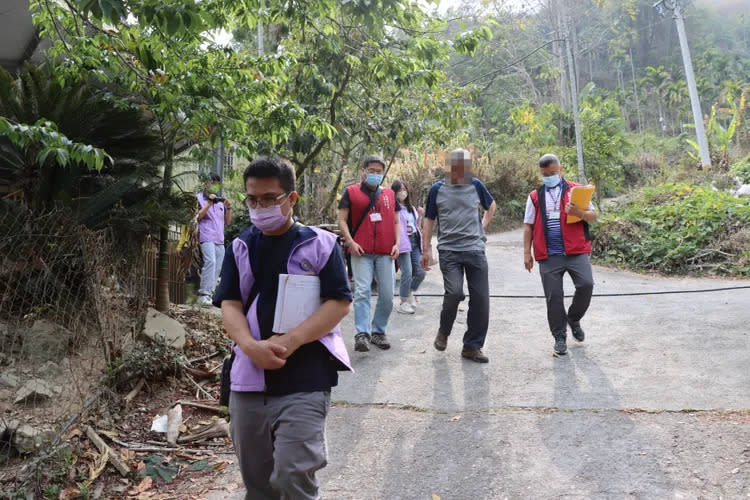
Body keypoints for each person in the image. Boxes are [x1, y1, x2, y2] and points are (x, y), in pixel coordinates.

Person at [214, 156, 352, 500]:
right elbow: (229, 303)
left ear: (291, 199)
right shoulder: (240, 246)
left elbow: (339, 302)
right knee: (258, 486)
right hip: (248, 379)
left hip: (306, 377)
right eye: (252, 199)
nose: (259, 207)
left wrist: (291, 341)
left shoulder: (321, 244)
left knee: (293, 474)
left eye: (269, 198)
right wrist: (249, 345)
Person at [421, 149, 497, 363]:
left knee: (481, 299)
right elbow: (429, 219)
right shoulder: (437, 189)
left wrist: (482, 226)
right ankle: (444, 331)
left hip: (474, 249)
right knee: (454, 292)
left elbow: (491, 205)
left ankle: (472, 347)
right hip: (449, 250)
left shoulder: (476, 185)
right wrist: (426, 248)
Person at [523, 153, 597, 356]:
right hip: (548, 255)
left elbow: (594, 216)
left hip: (575, 251)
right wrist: (526, 254)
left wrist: (579, 213)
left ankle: (573, 318)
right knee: (553, 297)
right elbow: (528, 226)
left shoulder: (576, 190)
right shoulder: (535, 196)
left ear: (560, 169)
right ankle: (559, 338)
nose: (549, 177)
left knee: (586, 285)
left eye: (553, 173)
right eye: (545, 174)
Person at [337, 154, 400, 353]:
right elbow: (341, 220)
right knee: (362, 292)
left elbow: (397, 221)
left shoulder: (389, 194)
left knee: (388, 295)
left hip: (385, 252)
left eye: (378, 172)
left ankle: (379, 331)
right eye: (371, 171)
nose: (375, 174)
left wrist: (398, 243)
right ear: (363, 171)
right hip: (360, 252)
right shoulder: (351, 192)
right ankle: (362, 334)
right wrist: (350, 242)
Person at [391, 179, 426, 314]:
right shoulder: (393, 209)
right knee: (407, 272)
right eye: (399, 190)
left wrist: (419, 216)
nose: (402, 192)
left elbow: (415, 225)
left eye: (404, 189)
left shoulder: (411, 208)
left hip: (414, 242)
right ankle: (403, 302)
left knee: (420, 272)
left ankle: (410, 292)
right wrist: (396, 243)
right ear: (394, 192)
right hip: (402, 243)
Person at [196, 173, 231, 306]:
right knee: (210, 261)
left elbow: (228, 222)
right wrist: (209, 203)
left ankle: (209, 296)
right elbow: (198, 217)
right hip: (206, 236)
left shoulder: (220, 201)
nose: (214, 185)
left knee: (217, 267)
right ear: (206, 183)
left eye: (216, 182)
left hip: (219, 239)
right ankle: (203, 294)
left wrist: (229, 208)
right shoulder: (199, 197)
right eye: (212, 182)